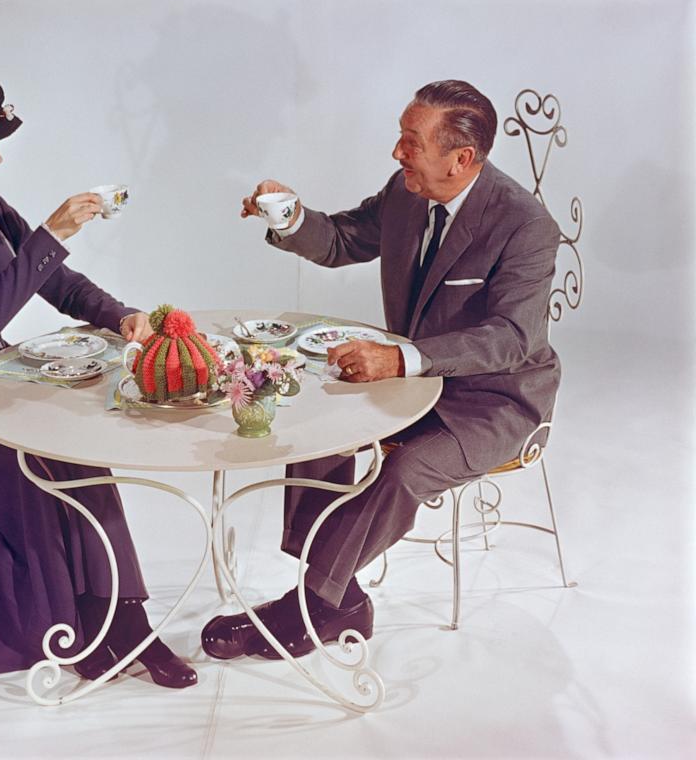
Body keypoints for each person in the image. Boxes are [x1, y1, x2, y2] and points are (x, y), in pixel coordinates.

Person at [201, 79, 561, 660]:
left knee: (407, 469)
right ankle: (338, 595)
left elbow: (513, 338)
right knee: (314, 424)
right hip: (414, 381)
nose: (397, 153)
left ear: (461, 158)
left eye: (410, 142)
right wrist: (290, 216)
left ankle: (311, 605)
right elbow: (343, 239)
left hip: (496, 399)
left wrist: (400, 358)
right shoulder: (407, 191)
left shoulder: (525, 224)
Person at [0, 62, 195, 687]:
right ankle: (79, 627)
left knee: (82, 450)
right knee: (31, 461)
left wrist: (123, 317)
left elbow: (59, 283)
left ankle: (126, 623)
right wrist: (54, 231)